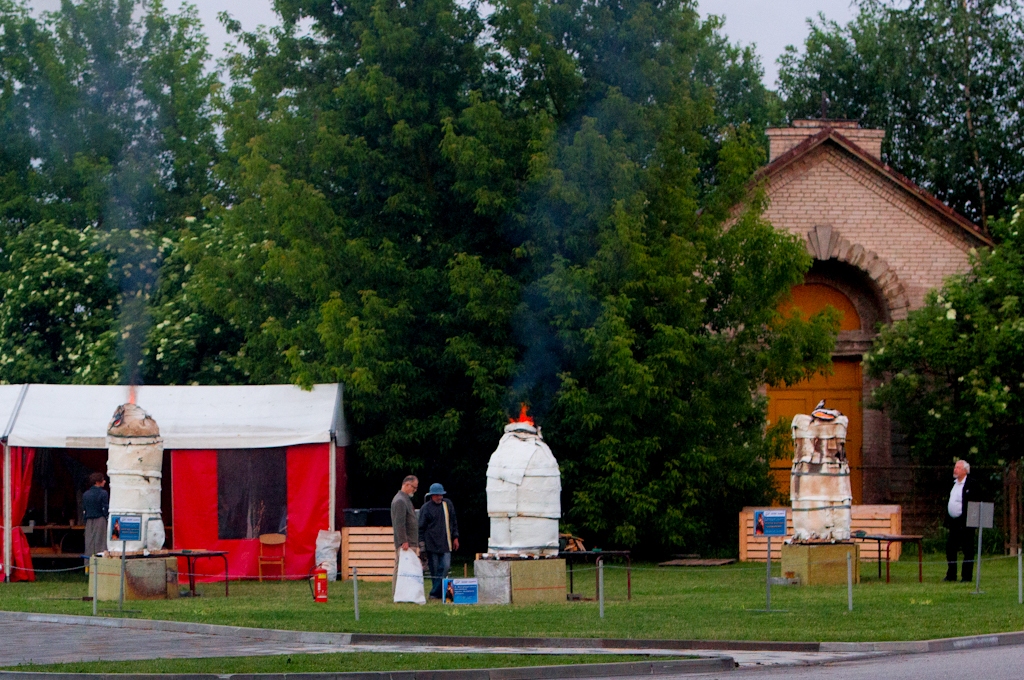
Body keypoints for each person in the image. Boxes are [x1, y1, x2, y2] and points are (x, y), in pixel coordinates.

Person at [418, 482, 460, 600]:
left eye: (441, 495)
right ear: (432, 496)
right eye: (437, 495)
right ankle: (438, 595)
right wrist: (422, 546)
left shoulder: (448, 504)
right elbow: (421, 528)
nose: (439, 497)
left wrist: (455, 537)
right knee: (435, 571)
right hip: (431, 544)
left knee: (445, 567)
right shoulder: (425, 508)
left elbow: (454, 521)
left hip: (446, 543)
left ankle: (433, 593)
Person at [945, 459, 977, 582]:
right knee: (950, 548)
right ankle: (951, 574)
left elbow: (974, 502)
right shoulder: (953, 484)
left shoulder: (971, 484)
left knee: (968, 549)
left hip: (965, 523)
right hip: (953, 522)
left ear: (965, 470)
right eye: (955, 467)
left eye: (958, 468)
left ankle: (966, 576)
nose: (955, 469)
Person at [390, 475, 419, 595]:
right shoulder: (400, 501)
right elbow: (399, 524)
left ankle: (404, 592)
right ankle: (397, 592)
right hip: (405, 543)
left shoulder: (405, 499)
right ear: (407, 484)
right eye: (414, 487)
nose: (415, 490)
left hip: (410, 541)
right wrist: (403, 541)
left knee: (406, 568)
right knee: (401, 567)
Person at [82, 472, 108, 560]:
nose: (104, 481)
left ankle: (88, 564)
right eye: (103, 480)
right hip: (100, 519)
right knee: (100, 542)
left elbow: (84, 509)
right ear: (98, 482)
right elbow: (105, 507)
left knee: (89, 542)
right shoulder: (103, 493)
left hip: (89, 520)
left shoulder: (86, 494)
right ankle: (100, 563)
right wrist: (107, 518)